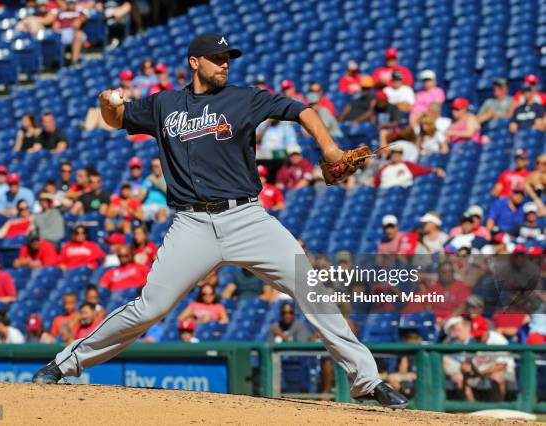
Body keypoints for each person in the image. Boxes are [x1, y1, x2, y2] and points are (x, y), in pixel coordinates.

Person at [32, 33, 409, 408]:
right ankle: (64, 364)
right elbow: (117, 119)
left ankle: (369, 381)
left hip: (247, 217)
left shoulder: (245, 98)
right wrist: (107, 105)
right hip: (191, 224)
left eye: (228, 57)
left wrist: (328, 147)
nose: (225, 63)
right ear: (195, 62)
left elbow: (301, 110)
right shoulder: (164, 104)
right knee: (151, 307)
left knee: (310, 287)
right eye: (216, 57)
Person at [373, 145, 445, 188]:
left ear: (401, 155)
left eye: (398, 153)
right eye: (393, 153)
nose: (395, 155)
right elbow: (376, 182)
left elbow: (421, 170)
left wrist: (436, 170)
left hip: (402, 191)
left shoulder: (407, 164)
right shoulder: (384, 168)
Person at [52, 0, 87, 65]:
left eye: (72, 3)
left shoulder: (79, 11)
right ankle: (56, 62)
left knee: (78, 35)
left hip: (75, 32)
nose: (71, 5)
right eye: (69, 3)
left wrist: (79, 20)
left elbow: (83, 18)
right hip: (63, 32)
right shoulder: (61, 12)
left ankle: (74, 61)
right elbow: (56, 25)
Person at [140, 157, 169, 223]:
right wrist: (146, 188)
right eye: (153, 166)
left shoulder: (167, 178)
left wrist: (156, 182)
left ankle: (160, 232)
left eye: (156, 166)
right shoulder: (148, 179)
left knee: (161, 213)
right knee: (135, 212)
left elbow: (170, 192)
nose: (154, 168)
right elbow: (140, 198)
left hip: (161, 207)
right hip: (147, 207)